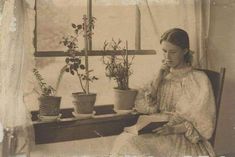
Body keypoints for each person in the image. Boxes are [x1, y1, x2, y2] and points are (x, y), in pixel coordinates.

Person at [110, 28, 216, 157]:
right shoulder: (163, 76)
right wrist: (159, 78)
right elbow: (146, 107)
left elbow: (203, 124)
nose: (167, 57)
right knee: (125, 141)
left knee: (135, 146)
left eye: (172, 52)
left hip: (182, 137)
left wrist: (172, 129)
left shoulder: (198, 79)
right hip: (159, 131)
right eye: (164, 51)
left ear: (185, 51)